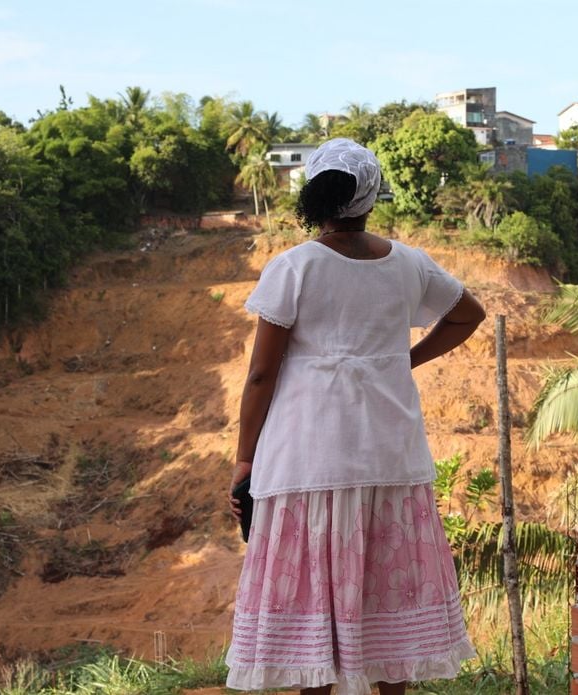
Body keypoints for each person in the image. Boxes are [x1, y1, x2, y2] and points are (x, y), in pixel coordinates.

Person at [225, 138, 484, 695]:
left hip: (306, 463)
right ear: (370, 197)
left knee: (312, 615)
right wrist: (402, 360)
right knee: (391, 617)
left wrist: (245, 458)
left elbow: (261, 376)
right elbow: (469, 314)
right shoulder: (409, 264)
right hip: (391, 458)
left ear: (316, 195)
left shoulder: (293, 267)